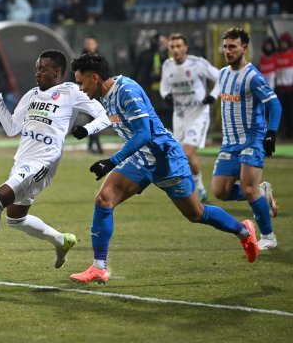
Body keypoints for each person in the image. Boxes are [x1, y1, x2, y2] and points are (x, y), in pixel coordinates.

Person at [69, 53, 259, 285]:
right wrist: (89, 131)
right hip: (141, 159)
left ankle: (244, 232)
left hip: (165, 160)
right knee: (104, 199)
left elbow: (144, 133)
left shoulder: (126, 90)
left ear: (95, 78)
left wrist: (112, 161)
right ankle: (99, 267)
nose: (80, 88)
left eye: (81, 82)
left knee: (196, 214)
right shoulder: (105, 95)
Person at [0, 49, 111, 282]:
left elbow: (104, 116)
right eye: (36, 68)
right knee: (16, 218)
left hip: (42, 163)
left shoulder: (71, 92)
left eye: (43, 68)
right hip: (21, 162)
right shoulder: (31, 94)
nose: (37, 73)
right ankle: (61, 240)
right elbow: (11, 128)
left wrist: (87, 129)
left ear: (57, 71)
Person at [211, 27, 282, 251]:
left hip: (252, 139)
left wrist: (271, 133)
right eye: (225, 46)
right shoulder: (222, 74)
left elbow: (275, 104)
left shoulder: (252, 76)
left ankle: (268, 236)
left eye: (232, 47)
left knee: (249, 189)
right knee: (220, 191)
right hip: (229, 142)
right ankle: (262, 193)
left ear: (244, 48)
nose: (227, 51)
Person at [160, 33, 220, 202]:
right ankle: (189, 188)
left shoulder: (198, 63)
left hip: (198, 114)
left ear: (185, 47)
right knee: (179, 154)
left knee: (187, 151)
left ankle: (199, 188)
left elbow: (221, 77)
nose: (176, 50)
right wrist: (165, 95)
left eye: (179, 46)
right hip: (179, 116)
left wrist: (213, 95)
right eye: (172, 47)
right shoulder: (167, 65)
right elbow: (164, 85)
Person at [81, 36, 103, 154]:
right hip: (86, 93)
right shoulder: (80, 60)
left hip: (99, 93)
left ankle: (92, 145)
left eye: (92, 43)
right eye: (88, 43)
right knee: (94, 118)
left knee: (96, 118)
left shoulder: (101, 59)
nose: (90, 46)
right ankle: (97, 146)